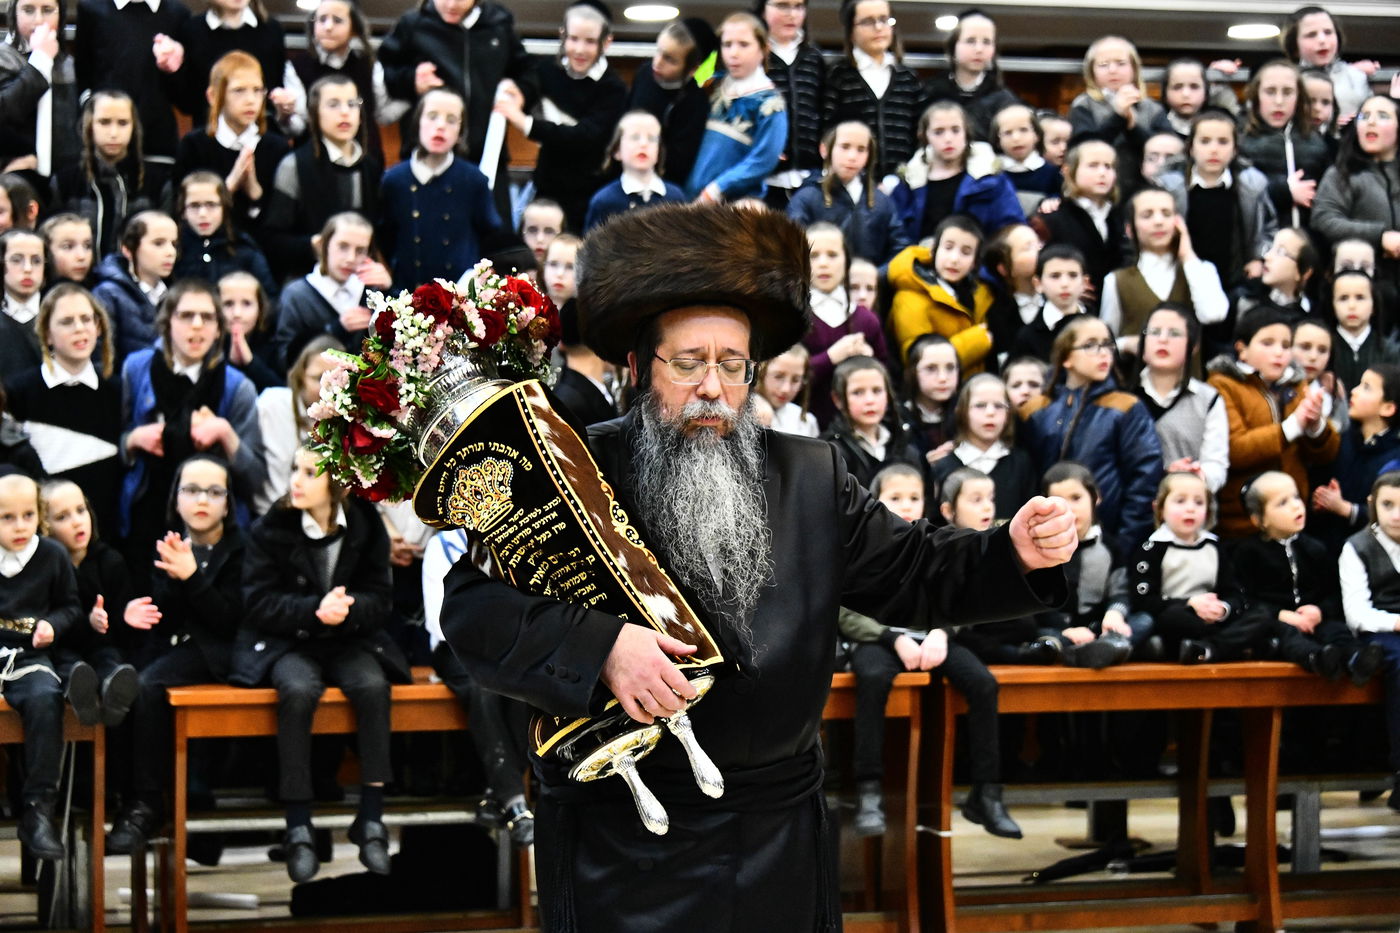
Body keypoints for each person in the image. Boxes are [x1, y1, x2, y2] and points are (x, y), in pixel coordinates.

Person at [437, 201, 1075, 929]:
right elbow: (473, 611)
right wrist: (602, 649)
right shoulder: (570, 468)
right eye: (689, 363)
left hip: (777, 833)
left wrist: (1010, 551)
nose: (713, 387)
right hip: (620, 841)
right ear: (641, 368)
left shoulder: (811, 474)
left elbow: (917, 573)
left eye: (732, 365)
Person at [233, 446, 407, 882]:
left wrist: (348, 609)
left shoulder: (365, 523)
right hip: (289, 642)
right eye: (295, 469)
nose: (296, 479)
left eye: (309, 472)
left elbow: (381, 597)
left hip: (349, 639)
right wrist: (314, 610)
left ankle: (371, 818)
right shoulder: (270, 528)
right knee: (296, 690)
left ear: (335, 484)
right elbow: (257, 602)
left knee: (372, 687)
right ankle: (297, 825)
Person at [844, 463, 1021, 840]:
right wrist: (894, 639)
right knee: (873, 678)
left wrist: (942, 631)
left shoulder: (933, 542)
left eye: (914, 498)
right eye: (895, 498)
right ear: (874, 503)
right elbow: (843, 610)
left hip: (932, 639)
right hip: (879, 641)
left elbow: (959, 595)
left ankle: (986, 792)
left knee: (982, 683)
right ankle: (869, 789)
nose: (907, 506)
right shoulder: (862, 546)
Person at [106, 455, 245, 854]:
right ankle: (126, 797)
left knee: (150, 686)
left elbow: (228, 621)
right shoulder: (168, 542)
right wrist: (133, 610)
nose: (202, 500)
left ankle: (149, 802)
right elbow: (163, 616)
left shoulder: (242, 547)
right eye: (191, 490)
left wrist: (192, 577)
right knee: (121, 681)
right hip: (175, 647)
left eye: (214, 491)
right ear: (176, 497)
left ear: (228, 502)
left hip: (224, 653)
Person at [1236, 469, 1383, 681]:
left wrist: (1320, 611)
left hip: (1313, 619)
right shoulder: (1248, 552)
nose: (1296, 505)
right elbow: (1245, 599)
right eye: (1282, 503)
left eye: (1296, 497)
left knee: (1335, 629)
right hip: (1277, 622)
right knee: (1287, 634)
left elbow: (1334, 593)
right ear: (1259, 520)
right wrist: (1281, 614)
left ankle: (1355, 657)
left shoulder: (1314, 548)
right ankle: (1316, 657)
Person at [1206, 306, 1339, 538]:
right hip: (1243, 523)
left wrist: (1315, 425)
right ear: (1242, 349)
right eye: (1267, 343)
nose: (1279, 353)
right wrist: (1293, 426)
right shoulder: (1222, 385)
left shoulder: (1296, 384)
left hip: (1291, 521)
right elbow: (1235, 450)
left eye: (1286, 346)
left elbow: (1325, 456)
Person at [0, 472, 79, 861]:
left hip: (28, 658)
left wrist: (54, 624)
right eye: (7, 518)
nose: (19, 526)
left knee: (47, 697)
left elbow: (71, 606)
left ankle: (38, 810)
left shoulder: (51, 555)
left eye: (28, 515)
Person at [493, 1, 626, 232]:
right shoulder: (547, 70)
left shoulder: (613, 89)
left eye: (590, 41)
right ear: (562, 36)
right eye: (573, 39)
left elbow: (584, 138)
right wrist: (517, 93)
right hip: (547, 189)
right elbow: (529, 84)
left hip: (589, 196)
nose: (579, 49)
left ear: (607, 42)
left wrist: (524, 123)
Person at [5, 284, 123, 536]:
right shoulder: (20, 391)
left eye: (86, 319)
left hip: (106, 532)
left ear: (98, 326)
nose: (79, 328)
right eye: (67, 321)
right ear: (47, 334)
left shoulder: (117, 390)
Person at [378, 86, 500, 291]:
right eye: (432, 117)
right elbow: (385, 238)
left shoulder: (473, 180)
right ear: (417, 122)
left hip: (460, 298)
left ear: (461, 130)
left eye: (451, 120)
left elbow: (490, 235)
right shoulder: (394, 180)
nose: (440, 126)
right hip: (407, 296)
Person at [1339, 470, 1400, 808]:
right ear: (1372, 505)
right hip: (1381, 632)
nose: (1397, 515)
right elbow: (1357, 614)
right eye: (1388, 505)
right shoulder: (1356, 547)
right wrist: (1395, 622)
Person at [684, 12, 787, 203]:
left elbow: (763, 160)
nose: (733, 53)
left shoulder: (770, 104)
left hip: (734, 205)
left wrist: (717, 189)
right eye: (727, 44)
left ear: (764, 49)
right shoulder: (711, 84)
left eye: (744, 44)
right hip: (689, 197)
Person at [785, 121, 910, 266]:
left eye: (861, 149)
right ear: (824, 150)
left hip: (869, 286)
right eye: (845, 147)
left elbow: (900, 248)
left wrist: (875, 277)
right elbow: (790, 249)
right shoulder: (807, 197)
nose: (852, 156)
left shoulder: (882, 201)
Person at [821, 0, 921, 179]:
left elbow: (918, 134)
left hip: (901, 185)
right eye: (868, 21)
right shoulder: (838, 76)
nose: (878, 27)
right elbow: (828, 134)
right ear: (851, 31)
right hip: (852, 185)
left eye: (884, 19)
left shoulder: (908, 78)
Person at [626, 18, 714, 190]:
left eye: (670, 60)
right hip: (624, 171)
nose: (657, 62)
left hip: (662, 184)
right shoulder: (644, 73)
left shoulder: (695, 101)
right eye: (658, 51)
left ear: (693, 68)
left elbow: (680, 161)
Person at [755, 0, 825, 209]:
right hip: (763, 179)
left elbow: (822, 111)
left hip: (809, 178)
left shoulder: (814, 57)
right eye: (782, 5)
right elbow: (706, 78)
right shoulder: (751, 54)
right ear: (762, 9)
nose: (792, 14)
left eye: (799, 6)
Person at [922, 10, 1018, 144]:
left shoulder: (1004, 100)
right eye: (970, 41)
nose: (979, 49)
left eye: (986, 42)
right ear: (953, 46)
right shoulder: (930, 92)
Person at [583, 110, 686, 233]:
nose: (643, 144)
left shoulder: (675, 197)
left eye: (652, 138)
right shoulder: (604, 200)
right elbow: (591, 249)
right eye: (635, 137)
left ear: (659, 151)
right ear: (617, 150)